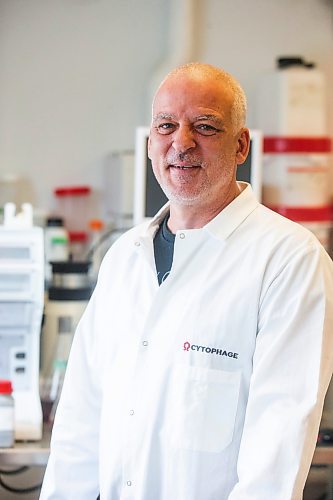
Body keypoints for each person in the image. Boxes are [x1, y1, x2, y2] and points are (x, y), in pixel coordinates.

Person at [40, 62, 333, 500]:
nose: (182, 141)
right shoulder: (124, 258)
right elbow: (80, 424)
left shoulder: (289, 260)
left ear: (241, 145)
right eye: (166, 125)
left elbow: (275, 454)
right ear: (150, 144)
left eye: (205, 126)